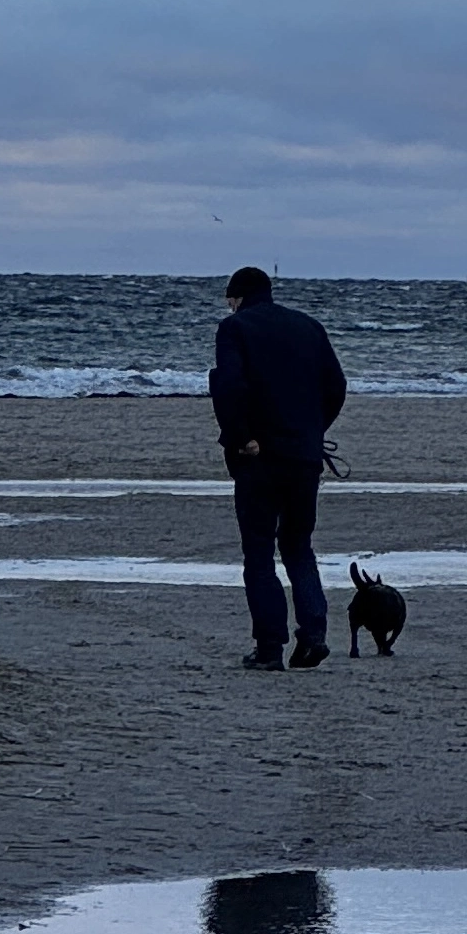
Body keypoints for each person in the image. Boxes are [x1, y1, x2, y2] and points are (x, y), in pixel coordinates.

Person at [208, 266, 347, 670]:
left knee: (258, 552)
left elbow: (229, 386)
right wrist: (311, 429)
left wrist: (242, 436)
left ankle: (269, 646)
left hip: (259, 458)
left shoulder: (235, 329)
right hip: (304, 457)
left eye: (229, 299)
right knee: (299, 547)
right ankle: (314, 634)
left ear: (237, 297)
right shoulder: (309, 327)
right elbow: (336, 386)